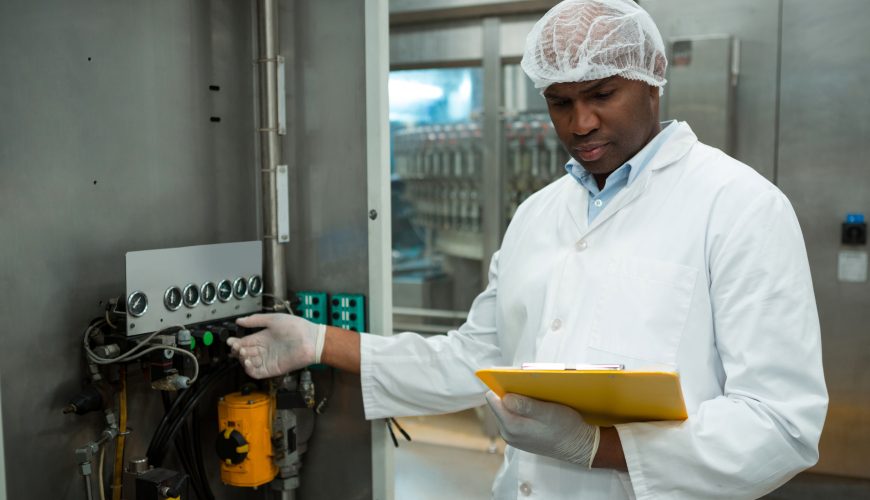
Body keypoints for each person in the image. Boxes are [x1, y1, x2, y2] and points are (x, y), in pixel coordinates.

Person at [227, 0, 828, 497]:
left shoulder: (739, 205)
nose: (580, 123)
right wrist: (317, 341)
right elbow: (477, 358)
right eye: (559, 102)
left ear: (653, 79)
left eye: (601, 93)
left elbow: (780, 425)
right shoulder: (539, 213)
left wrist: (595, 447)